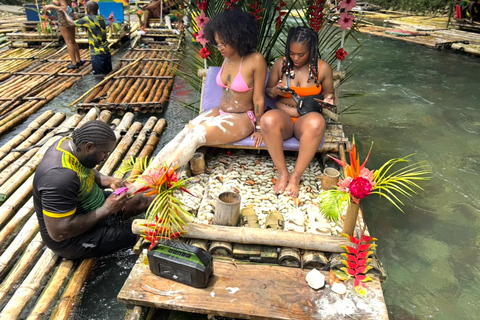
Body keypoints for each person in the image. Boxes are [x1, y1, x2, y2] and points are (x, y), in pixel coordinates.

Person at [141, 9, 266, 174]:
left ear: (237, 38)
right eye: (217, 43)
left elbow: (258, 99)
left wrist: (259, 128)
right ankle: (147, 174)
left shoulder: (256, 60)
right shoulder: (227, 57)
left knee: (197, 135)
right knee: (186, 131)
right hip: (221, 112)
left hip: (243, 117)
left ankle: (157, 178)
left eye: (223, 43)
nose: (219, 47)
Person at [33, 121, 151, 260]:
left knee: (140, 200)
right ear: (89, 147)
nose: (105, 158)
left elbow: (85, 168)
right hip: (73, 239)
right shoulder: (60, 178)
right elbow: (59, 232)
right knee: (144, 236)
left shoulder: (72, 145)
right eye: (104, 153)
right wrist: (106, 209)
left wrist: (109, 181)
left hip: (90, 205)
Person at [261, 26, 334, 198]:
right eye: (292, 53)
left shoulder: (323, 69)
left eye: (301, 54)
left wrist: (329, 99)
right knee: (267, 120)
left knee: (317, 123)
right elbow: (268, 91)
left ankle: (295, 176)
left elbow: (329, 93)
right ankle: (283, 173)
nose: (295, 58)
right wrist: (276, 91)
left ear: (311, 50)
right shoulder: (281, 64)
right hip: (283, 117)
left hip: (306, 119)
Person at [61, 1, 112, 77]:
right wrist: (71, 13)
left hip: (97, 53)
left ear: (88, 9)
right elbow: (81, 21)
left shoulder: (88, 19)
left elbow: (72, 23)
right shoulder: (102, 17)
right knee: (108, 74)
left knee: (99, 76)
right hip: (106, 51)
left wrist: (64, 13)